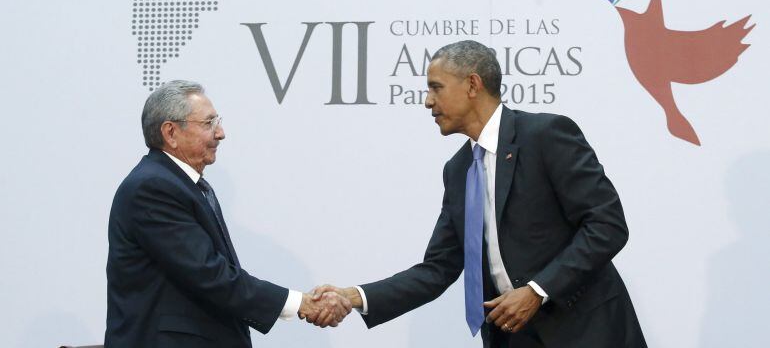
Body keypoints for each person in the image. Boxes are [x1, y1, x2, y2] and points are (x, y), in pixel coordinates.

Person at [312, 41, 647, 347]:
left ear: (473, 84)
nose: (428, 101)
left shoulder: (545, 136)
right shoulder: (458, 170)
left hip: (586, 333)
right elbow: (437, 269)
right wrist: (354, 297)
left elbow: (607, 225)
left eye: (436, 88)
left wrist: (537, 291)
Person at [105, 81, 350, 348]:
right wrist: (300, 304)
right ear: (171, 132)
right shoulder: (152, 188)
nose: (220, 133)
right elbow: (209, 274)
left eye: (217, 122)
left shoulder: (183, 185)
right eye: (208, 123)